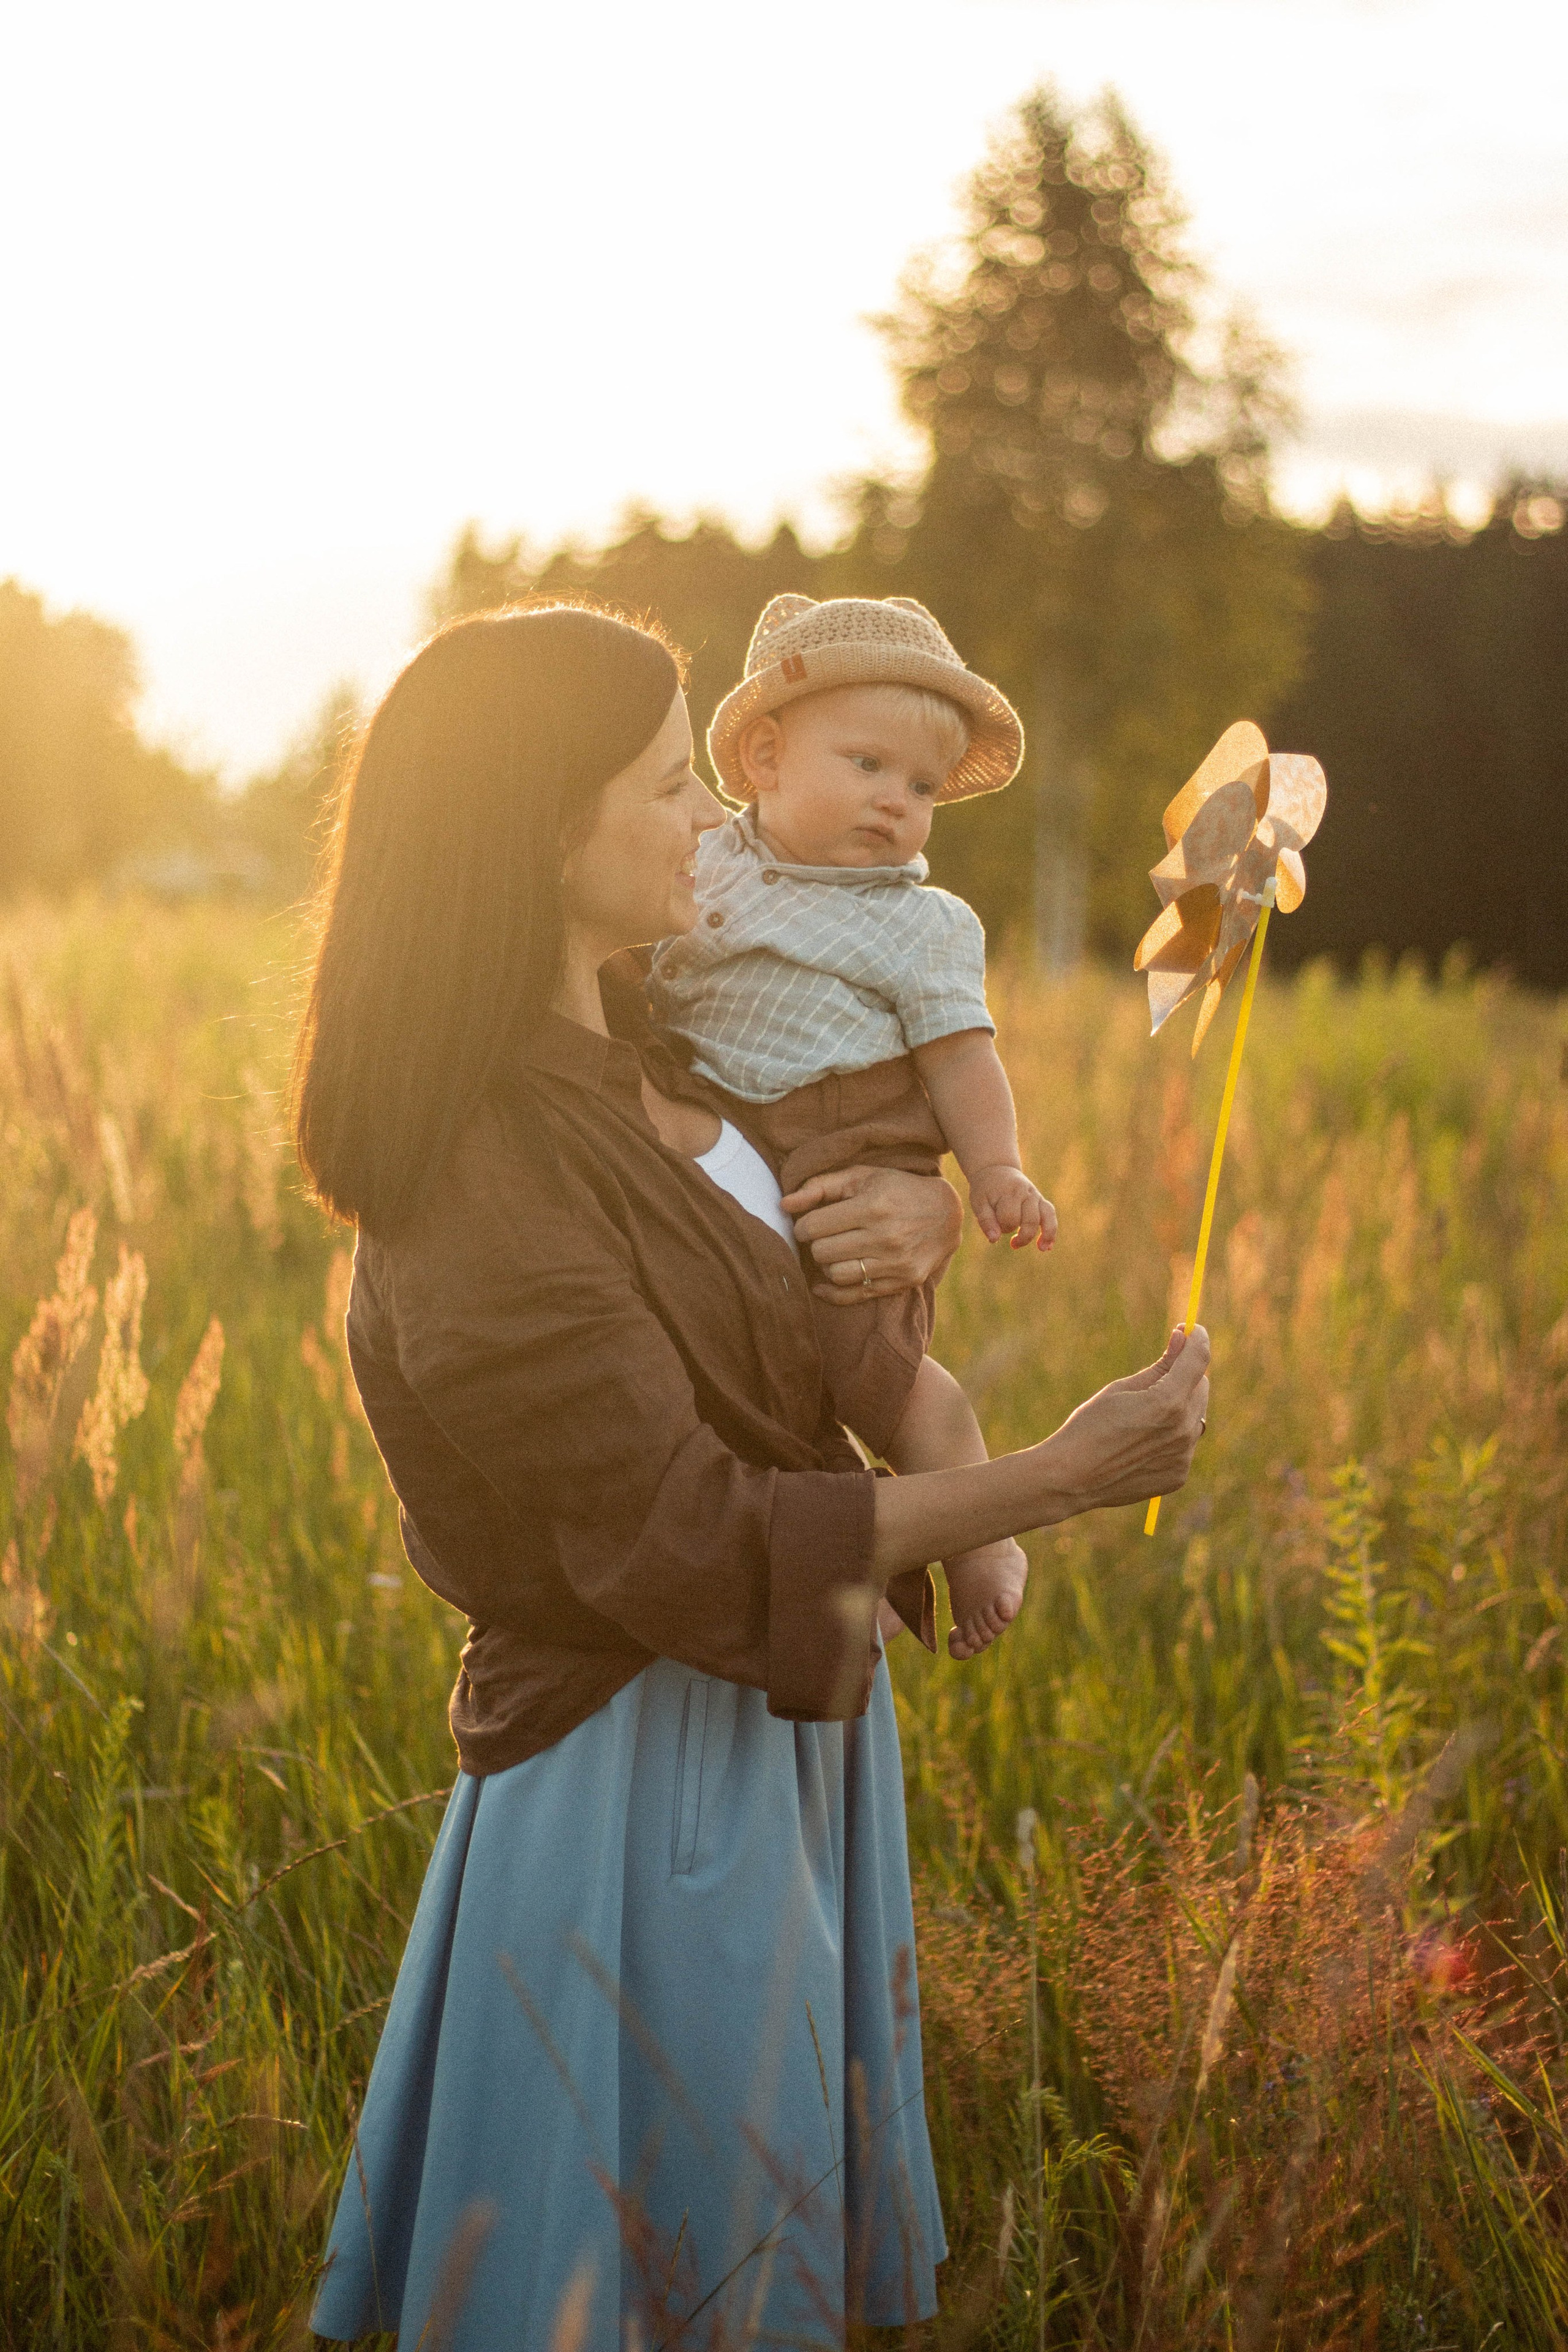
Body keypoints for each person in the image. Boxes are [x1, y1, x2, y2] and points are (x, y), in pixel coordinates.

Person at [297, 601, 1209, 2351]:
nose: (711, 816)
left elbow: (805, 1202)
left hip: (788, 1731)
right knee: (630, 2281)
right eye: (663, 783)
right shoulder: (480, 1170)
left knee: (750, 2272)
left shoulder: (669, 1043)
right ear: (543, 830)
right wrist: (1058, 1478)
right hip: (638, 1777)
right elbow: (692, 1532)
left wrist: (923, 1202)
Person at [650, 592, 1053, 1664]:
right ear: (766, 758)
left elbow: (964, 1059)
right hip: (719, 1117)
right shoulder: (699, 862)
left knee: (858, 1363)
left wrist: (995, 1169)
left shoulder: (919, 924)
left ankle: (972, 1531)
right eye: (867, 766)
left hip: (848, 1136)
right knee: (728, 1360)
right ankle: (831, 1574)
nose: (896, 804)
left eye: (922, 788)